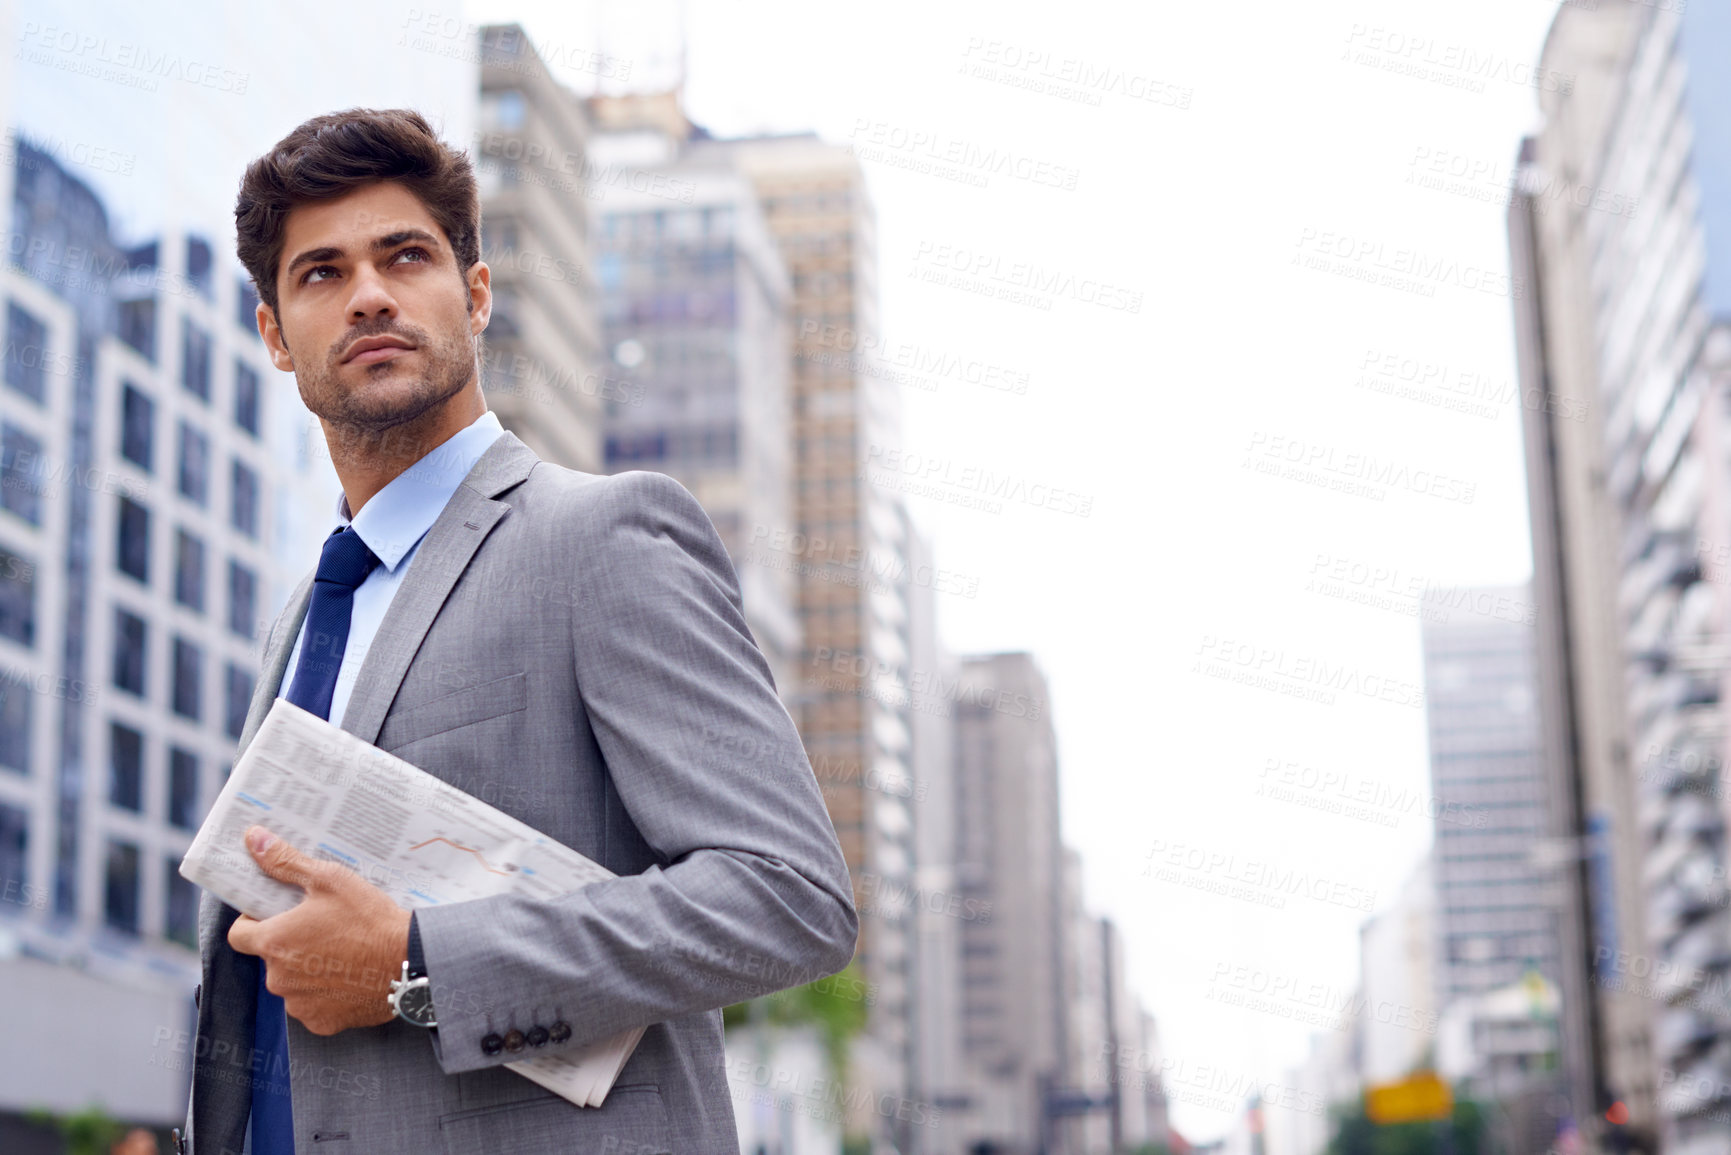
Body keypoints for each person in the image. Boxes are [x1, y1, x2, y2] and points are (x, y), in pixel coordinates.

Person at [176, 108, 858, 1155]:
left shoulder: (602, 538)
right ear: (274, 335)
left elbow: (788, 897)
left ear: (477, 294)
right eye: (320, 273)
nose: (368, 294)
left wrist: (419, 965)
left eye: (406, 256)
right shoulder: (304, 619)